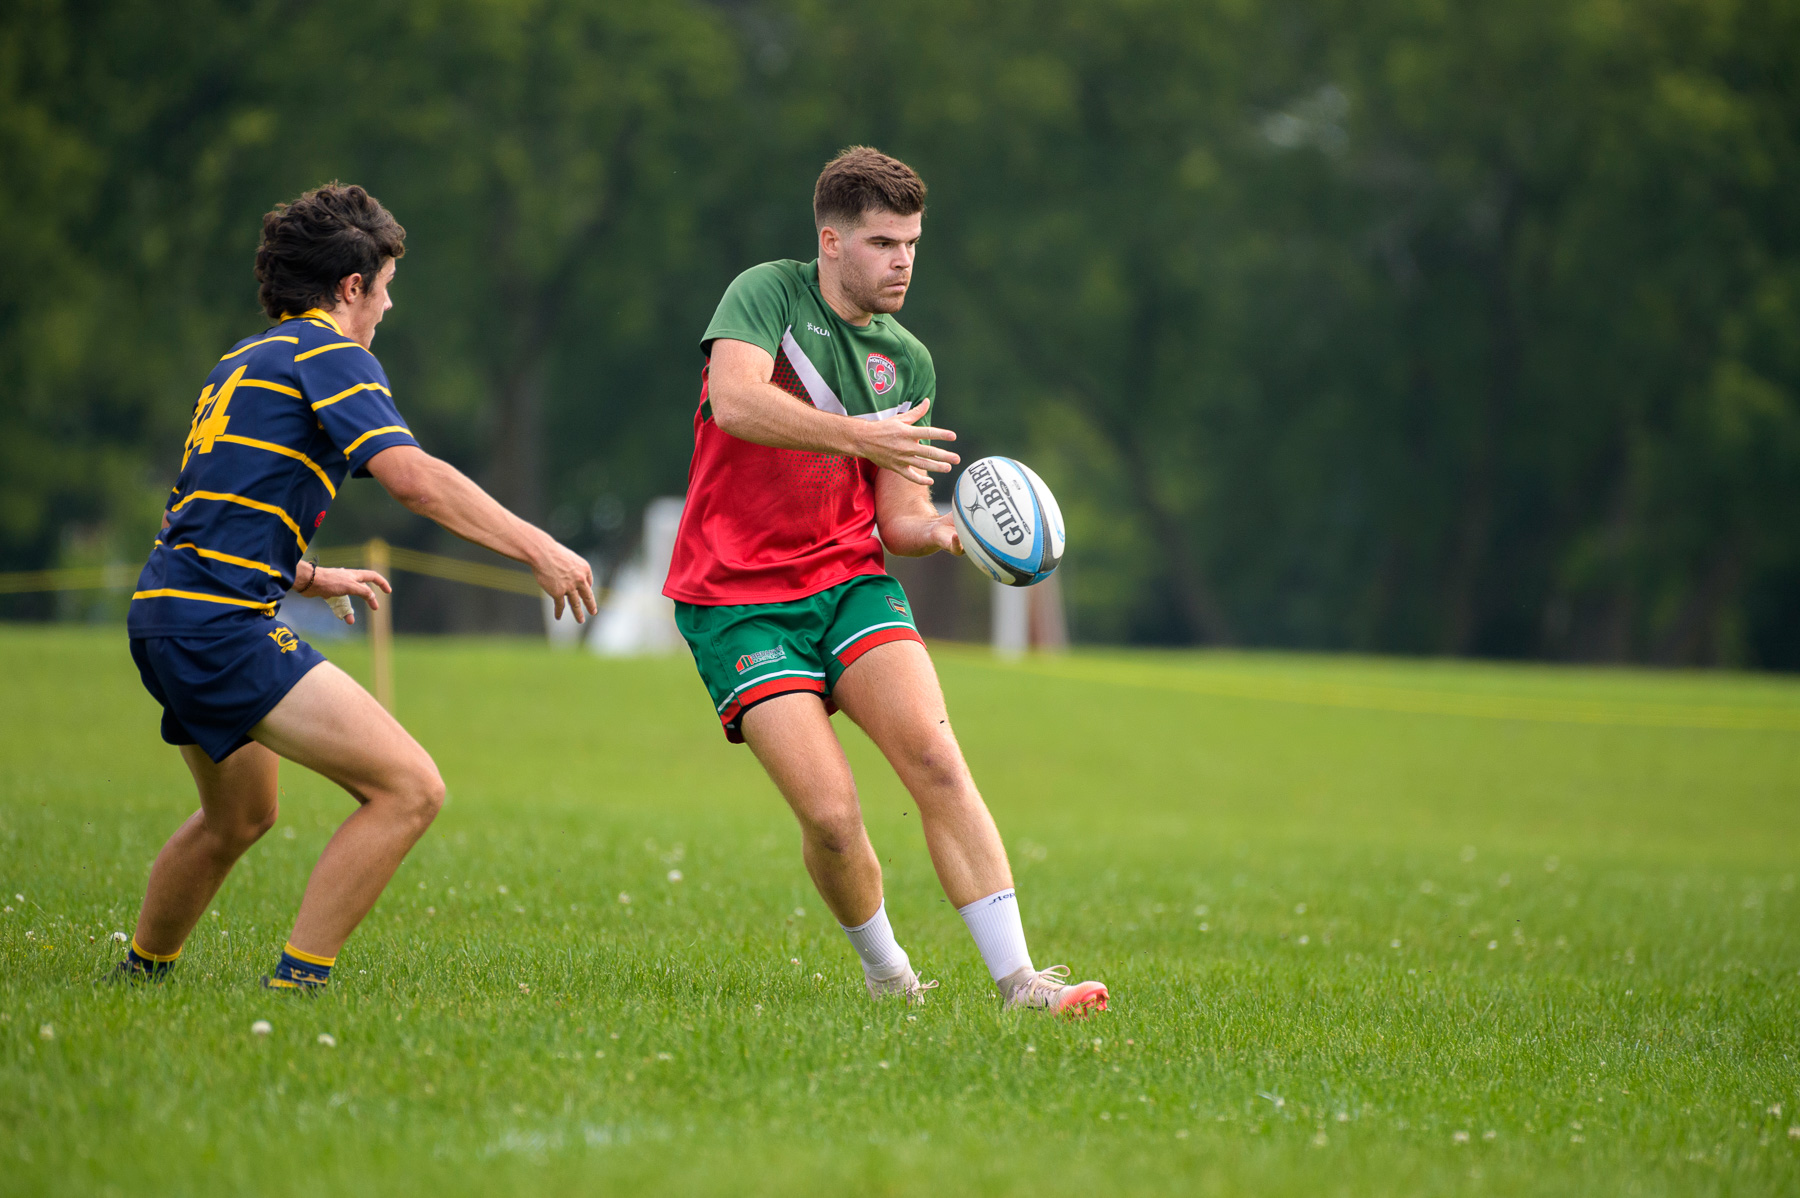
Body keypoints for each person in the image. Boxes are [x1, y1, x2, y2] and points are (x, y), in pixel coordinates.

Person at [118, 183, 596, 991]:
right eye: (385, 290)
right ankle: (296, 987)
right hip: (219, 625)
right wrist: (535, 547)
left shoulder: (242, 361)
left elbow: (212, 513)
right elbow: (413, 479)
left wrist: (307, 574)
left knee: (240, 816)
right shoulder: (333, 354)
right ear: (351, 288)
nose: (385, 310)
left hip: (163, 613)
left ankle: (140, 977)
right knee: (409, 788)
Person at [664, 147, 1107, 1014]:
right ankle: (888, 973)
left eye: (910, 242)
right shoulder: (768, 294)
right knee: (831, 816)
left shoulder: (908, 359)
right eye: (880, 242)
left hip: (848, 582)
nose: (902, 260)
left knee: (938, 762)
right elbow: (737, 402)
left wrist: (946, 532)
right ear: (830, 241)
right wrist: (864, 436)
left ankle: (1021, 983)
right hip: (736, 599)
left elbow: (898, 518)